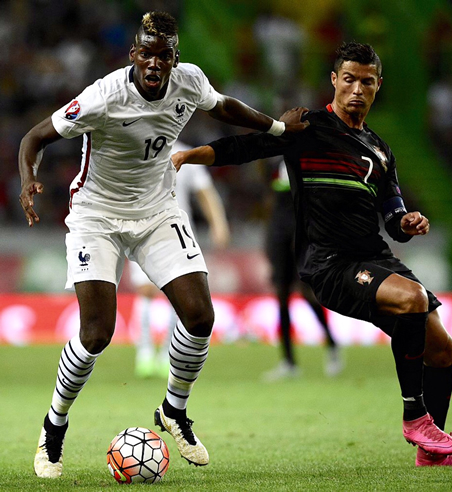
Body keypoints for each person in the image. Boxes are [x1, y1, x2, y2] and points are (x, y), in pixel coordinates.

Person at [18, 11, 307, 478]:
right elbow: (35, 138)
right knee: (97, 333)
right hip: (97, 217)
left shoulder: (189, 83)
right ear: (134, 54)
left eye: (164, 55)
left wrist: (276, 129)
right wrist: (28, 180)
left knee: (201, 315)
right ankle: (54, 427)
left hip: (157, 212)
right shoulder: (103, 96)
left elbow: (226, 107)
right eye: (147, 53)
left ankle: (173, 410)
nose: (155, 63)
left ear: (175, 58)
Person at [171, 42, 452, 467]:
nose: (358, 89)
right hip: (329, 264)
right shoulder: (308, 128)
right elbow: (246, 148)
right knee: (412, 298)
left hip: (374, 259)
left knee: (444, 349)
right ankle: (415, 416)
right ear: (335, 80)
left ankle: (433, 454)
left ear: (378, 87)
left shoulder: (379, 150)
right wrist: (191, 156)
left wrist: (407, 222)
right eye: (350, 79)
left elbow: (392, 216)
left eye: (367, 81)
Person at [130, 139, 230, 379]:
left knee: (179, 296)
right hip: (139, 230)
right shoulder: (134, 147)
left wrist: (218, 223)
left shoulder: (184, 153)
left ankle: (166, 353)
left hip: (176, 234)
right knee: (146, 291)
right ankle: (144, 351)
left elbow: (205, 192)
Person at [263, 159, 343, 381]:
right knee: (281, 296)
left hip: (301, 234)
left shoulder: (308, 161)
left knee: (307, 292)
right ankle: (288, 362)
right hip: (279, 235)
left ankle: (331, 344)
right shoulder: (273, 163)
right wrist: (269, 242)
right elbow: (272, 203)